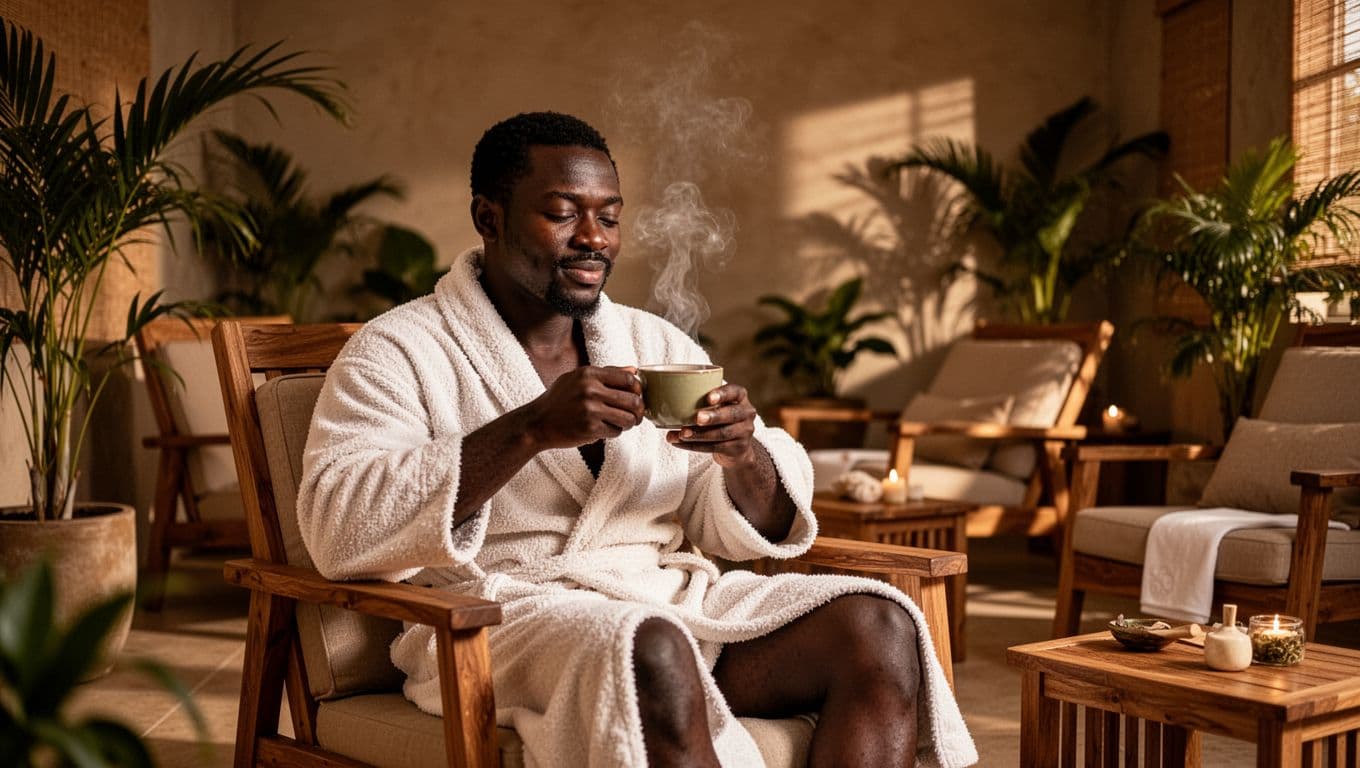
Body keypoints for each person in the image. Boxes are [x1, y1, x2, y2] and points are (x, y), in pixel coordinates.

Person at [297, 111, 975, 768]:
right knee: (645, 649)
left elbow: (757, 522)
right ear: (489, 218)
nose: (594, 236)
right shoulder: (399, 350)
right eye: (563, 212)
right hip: (503, 621)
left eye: (610, 216)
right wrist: (530, 428)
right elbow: (339, 526)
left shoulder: (651, 342)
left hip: (666, 603)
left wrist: (741, 456)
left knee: (878, 629)